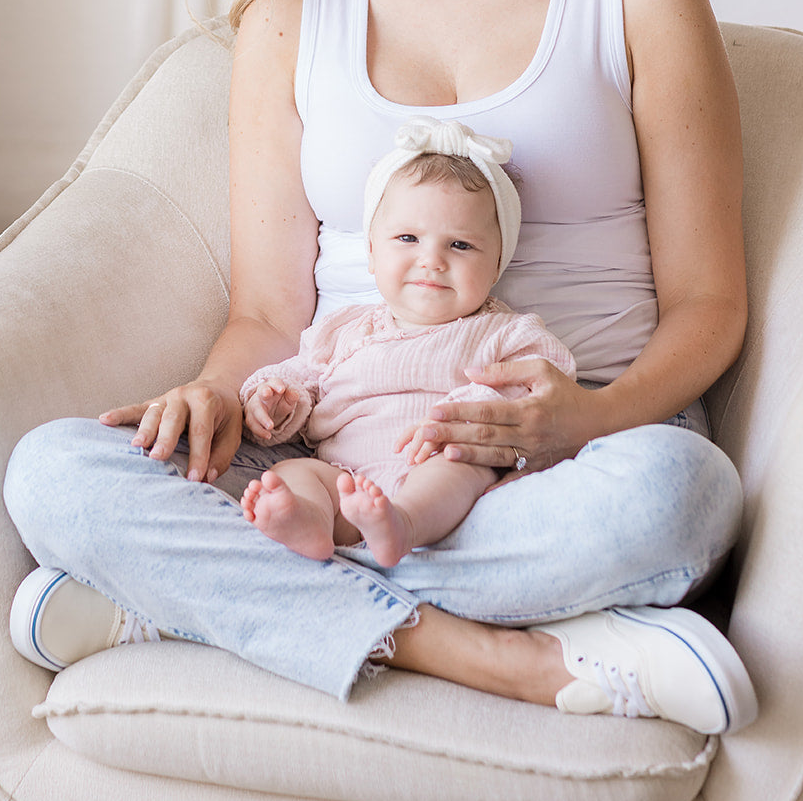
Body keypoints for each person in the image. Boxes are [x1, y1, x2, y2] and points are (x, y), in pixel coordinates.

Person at [5, 0, 757, 736]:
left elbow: (709, 303)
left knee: (678, 497)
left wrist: (581, 417)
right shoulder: (287, 19)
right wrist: (221, 398)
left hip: (566, 454)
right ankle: (490, 655)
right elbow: (268, 312)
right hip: (332, 458)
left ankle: (195, 604)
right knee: (54, 474)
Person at [239, 117, 577, 567]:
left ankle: (404, 525)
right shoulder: (344, 329)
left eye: (459, 245)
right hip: (346, 478)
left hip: (446, 467)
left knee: (457, 468)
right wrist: (274, 400)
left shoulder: (505, 332)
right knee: (293, 473)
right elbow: (302, 377)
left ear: (497, 263)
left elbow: (547, 384)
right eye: (407, 238)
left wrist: (466, 414)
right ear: (373, 253)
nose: (431, 261)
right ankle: (311, 522)